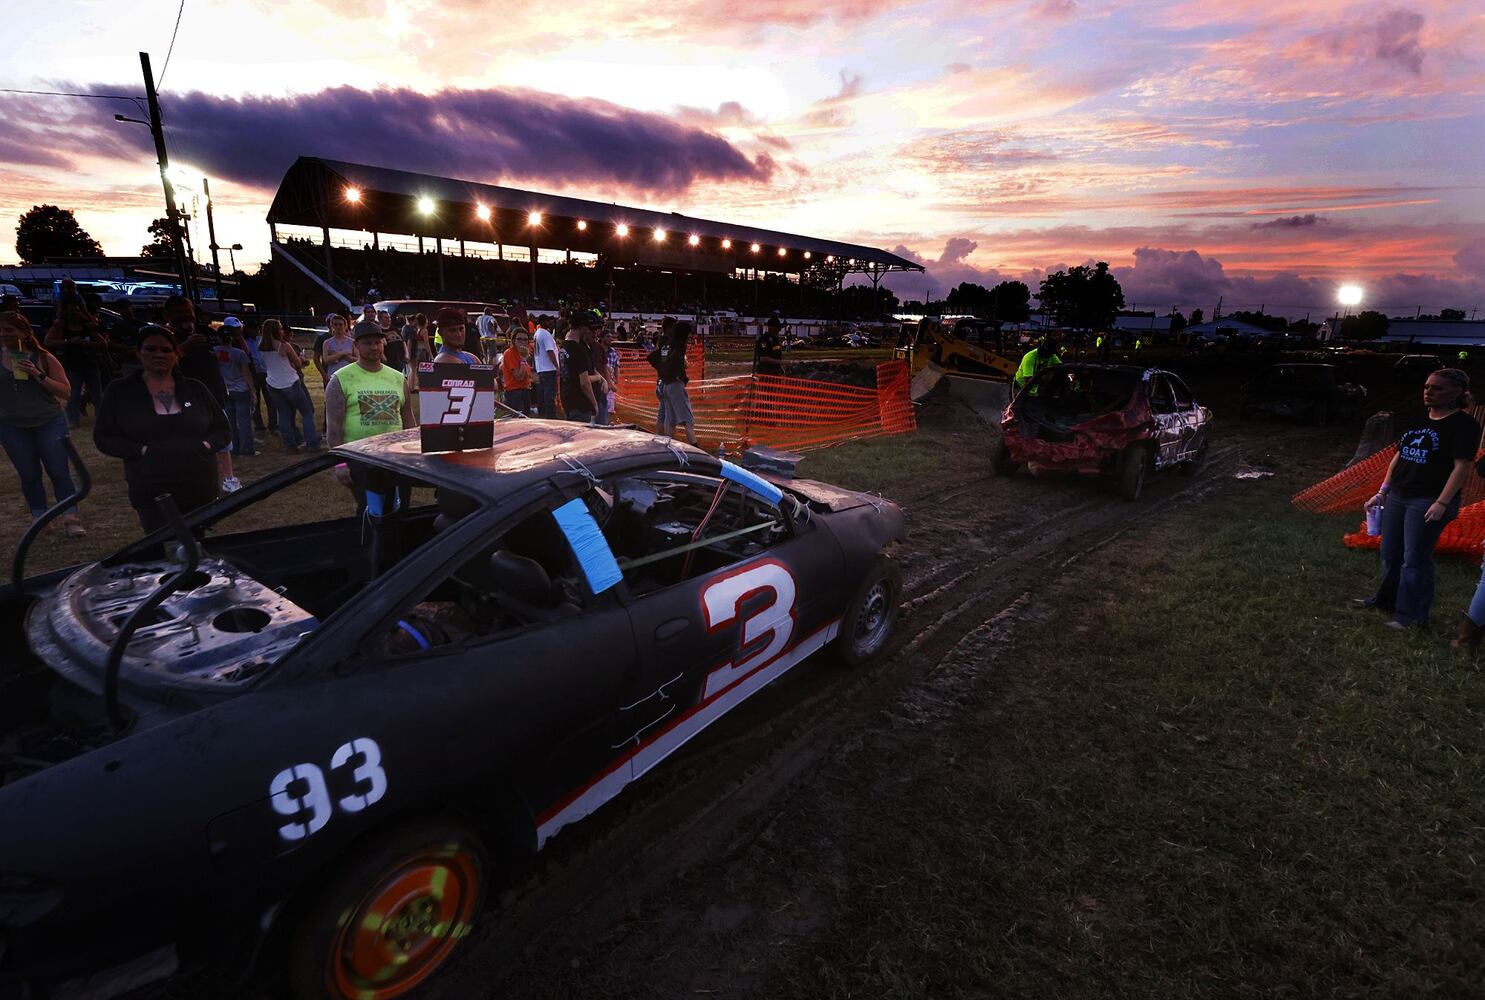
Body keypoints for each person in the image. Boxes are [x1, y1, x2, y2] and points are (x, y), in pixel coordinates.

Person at [1358, 368, 1480, 630]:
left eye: (1437, 388)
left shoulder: (1464, 425)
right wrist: (1383, 490)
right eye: (1427, 386)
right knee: (1390, 552)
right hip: (1399, 495)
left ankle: (1412, 617)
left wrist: (1442, 502)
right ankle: (1384, 601)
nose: (1429, 391)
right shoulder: (1418, 419)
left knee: (1415, 559)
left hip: (1427, 500)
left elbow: (1461, 467)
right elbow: (1399, 456)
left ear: (1456, 393)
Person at [94, 325, 231, 532]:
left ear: (176, 354)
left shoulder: (195, 388)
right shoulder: (120, 392)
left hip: (198, 483)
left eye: (166, 350)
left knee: (197, 544)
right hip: (150, 485)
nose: (159, 354)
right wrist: (141, 451)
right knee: (160, 544)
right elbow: (104, 437)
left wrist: (205, 445)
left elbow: (222, 430)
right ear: (139, 353)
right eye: (151, 349)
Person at [0, 309, 85, 536]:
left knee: (58, 470)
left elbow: (66, 392)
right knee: (28, 474)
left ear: (25, 332)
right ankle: (40, 517)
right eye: (0, 330)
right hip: (11, 426)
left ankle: (71, 518)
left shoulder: (44, 358)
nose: (3, 334)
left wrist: (38, 374)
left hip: (49, 421)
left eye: (9, 330)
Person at [325, 322, 414, 513]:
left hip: (396, 458)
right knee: (371, 511)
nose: (374, 347)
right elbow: (334, 428)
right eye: (367, 343)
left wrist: (413, 453)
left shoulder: (398, 378)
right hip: (361, 459)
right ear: (356, 346)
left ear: (384, 344)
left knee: (400, 510)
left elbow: (408, 420)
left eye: (377, 342)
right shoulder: (340, 379)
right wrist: (340, 463)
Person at [163, 296, 239, 493]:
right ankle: (196, 481)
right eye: (180, 313)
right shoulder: (165, 337)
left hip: (214, 395)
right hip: (186, 400)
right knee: (192, 443)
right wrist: (185, 347)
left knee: (222, 438)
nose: (186, 316)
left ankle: (229, 479)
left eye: (189, 311)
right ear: (169, 315)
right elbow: (162, 366)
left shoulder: (205, 333)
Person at [45, 294, 108, 429]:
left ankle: (102, 419)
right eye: (71, 310)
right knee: (73, 393)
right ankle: (72, 419)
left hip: (90, 362)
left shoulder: (88, 326)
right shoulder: (61, 326)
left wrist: (89, 344)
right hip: (72, 364)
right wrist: (68, 342)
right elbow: (47, 341)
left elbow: (103, 343)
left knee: (97, 393)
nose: (74, 313)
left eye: (76, 310)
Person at [258, 319, 321, 453]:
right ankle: (312, 443)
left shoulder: (261, 346)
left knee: (284, 415)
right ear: (276, 330)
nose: (282, 331)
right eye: (280, 328)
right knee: (307, 412)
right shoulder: (284, 346)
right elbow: (298, 363)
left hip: (273, 384)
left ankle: (290, 446)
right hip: (290, 383)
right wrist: (302, 360)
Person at [649, 320, 698, 445]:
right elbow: (682, 363)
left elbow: (652, 358)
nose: (690, 337)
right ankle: (696, 448)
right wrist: (676, 373)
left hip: (664, 384)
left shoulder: (666, 344)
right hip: (675, 384)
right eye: (688, 334)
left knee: (669, 420)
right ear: (683, 334)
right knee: (688, 420)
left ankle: (667, 446)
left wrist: (663, 370)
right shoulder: (679, 346)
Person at [217, 317, 257, 458]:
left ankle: (234, 449)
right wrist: (253, 391)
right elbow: (247, 374)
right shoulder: (239, 353)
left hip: (225, 390)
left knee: (230, 422)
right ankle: (247, 450)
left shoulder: (213, 352)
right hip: (240, 389)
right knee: (244, 421)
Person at [559, 313, 601, 422]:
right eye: (587, 328)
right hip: (580, 404)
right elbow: (584, 382)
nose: (588, 331)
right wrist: (594, 403)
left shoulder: (564, 346)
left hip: (567, 399)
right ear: (581, 327)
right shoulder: (578, 349)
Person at [241, 316, 277, 435]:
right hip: (254, 373)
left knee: (270, 400)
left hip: (266, 372)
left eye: (257, 328)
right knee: (256, 400)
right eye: (253, 329)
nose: (256, 331)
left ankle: (273, 425)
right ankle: (259, 426)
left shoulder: (261, 340)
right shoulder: (245, 342)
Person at [501, 327, 534, 415]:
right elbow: (519, 376)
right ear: (513, 340)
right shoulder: (510, 353)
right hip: (514, 393)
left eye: (525, 339)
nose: (522, 342)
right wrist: (523, 359)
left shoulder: (524, 353)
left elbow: (528, 374)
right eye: (519, 339)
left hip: (525, 391)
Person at [532, 315, 559, 418]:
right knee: (549, 394)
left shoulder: (537, 333)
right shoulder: (546, 334)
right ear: (543, 321)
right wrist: (557, 366)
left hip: (541, 367)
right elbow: (549, 351)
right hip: (549, 368)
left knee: (542, 393)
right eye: (548, 320)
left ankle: (542, 413)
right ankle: (550, 416)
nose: (550, 322)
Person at [322, 314, 357, 379]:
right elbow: (326, 360)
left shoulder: (352, 342)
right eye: (335, 324)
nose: (338, 327)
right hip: (333, 375)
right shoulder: (327, 343)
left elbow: (358, 359)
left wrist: (347, 357)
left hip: (349, 375)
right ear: (331, 326)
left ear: (345, 325)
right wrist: (342, 354)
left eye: (340, 324)